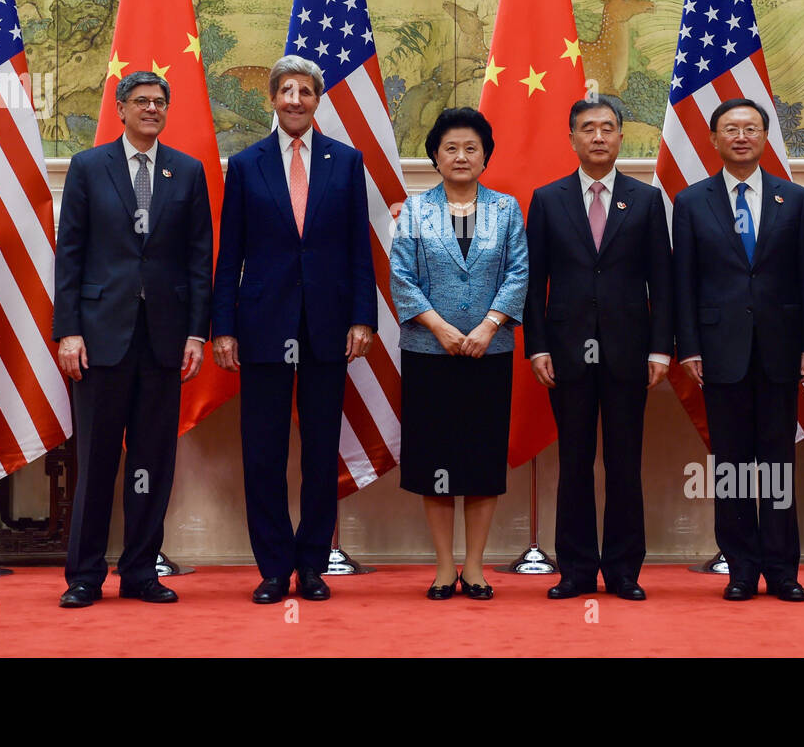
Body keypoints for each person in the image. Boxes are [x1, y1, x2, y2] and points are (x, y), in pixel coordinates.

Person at [211, 55, 376, 604]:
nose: (295, 100)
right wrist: (224, 327)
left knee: (320, 451)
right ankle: (273, 568)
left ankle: (312, 565)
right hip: (261, 326)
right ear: (272, 98)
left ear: (317, 99)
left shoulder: (346, 163)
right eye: (286, 90)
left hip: (328, 326)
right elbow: (228, 252)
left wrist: (362, 317)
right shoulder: (247, 163)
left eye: (305, 91)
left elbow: (359, 248)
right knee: (263, 451)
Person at [54, 70, 212, 607]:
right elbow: (69, 256)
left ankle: (141, 570)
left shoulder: (186, 173)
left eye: (159, 102)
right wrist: (69, 331)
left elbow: (198, 261)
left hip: (164, 341)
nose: (151, 109)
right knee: (97, 460)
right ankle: (84, 576)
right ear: (120, 109)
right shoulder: (88, 168)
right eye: (141, 101)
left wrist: (197, 333)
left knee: (152, 462)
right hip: (100, 338)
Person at [524, 98, 674, 601]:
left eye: (608, 128)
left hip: (629, 352)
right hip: (565, 353)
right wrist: (537, 347)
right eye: (588, 129)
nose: (598, 137)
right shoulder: (547, 199)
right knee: (574, 462)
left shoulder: (647, 200)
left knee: (625, 463)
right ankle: (576, 569)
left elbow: (663, 284)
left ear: (621, 137)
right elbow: (533, 282)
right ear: (572, 138)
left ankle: (624, 570)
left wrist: (660, 351)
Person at [673, 98, 804, 602]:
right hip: (718, 352)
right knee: (732, 466)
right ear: (713, 139)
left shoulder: (795, 200)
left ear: (764, 138)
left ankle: (783, 571)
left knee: (778, 464)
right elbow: (683, 283)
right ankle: (740, 569)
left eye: (751, 129)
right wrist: (688, 346)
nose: (741, 137)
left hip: (780, 352)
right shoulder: (691, 202)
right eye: (730, 129)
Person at [390, 108, 528, 600]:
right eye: (451, 147)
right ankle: (444, 567)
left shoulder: (507, 209)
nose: (461, 156)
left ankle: (475, 567)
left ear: (485, 156)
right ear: (435, 155)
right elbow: (400, 277)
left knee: (481, 457)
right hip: (430, 351)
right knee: (436, 459)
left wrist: (490, 325)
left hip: (490, 351)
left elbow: (519, 273)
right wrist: (441, 328)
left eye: (471, 147)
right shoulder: (413, 209)